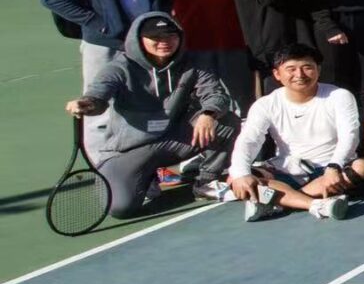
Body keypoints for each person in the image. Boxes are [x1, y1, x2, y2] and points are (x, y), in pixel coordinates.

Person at [66, 12, 237, 218]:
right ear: (139, 40)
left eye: (170, 35)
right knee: (120, 208)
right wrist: (87, 103)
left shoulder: (194, 63)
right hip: (130, 149)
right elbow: (98, 95)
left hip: (175, 139)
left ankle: (205, 182)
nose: (164, 42)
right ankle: (148, 176)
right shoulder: (118, 68)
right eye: (155, 37)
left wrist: (208, 113)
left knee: (226, 121)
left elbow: (216, 95)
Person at [227, 43, 364, 222]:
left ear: (318, 70)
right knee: (235, 176)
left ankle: (278, 199)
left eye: (307, 67)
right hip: (287, 171)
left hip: (330, 171)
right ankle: (316, 205)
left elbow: (349, 136)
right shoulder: (265, 104)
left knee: (362, 167)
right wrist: (241, 174)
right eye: (291, 69)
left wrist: (334, 166)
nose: (299, 75)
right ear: (277, 74)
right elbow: (248, 140)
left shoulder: (339, 96)